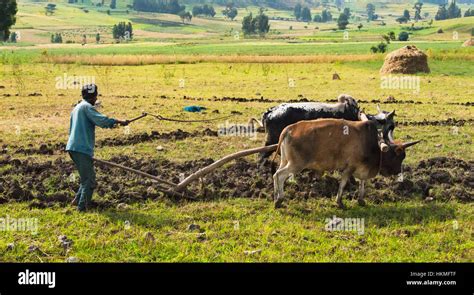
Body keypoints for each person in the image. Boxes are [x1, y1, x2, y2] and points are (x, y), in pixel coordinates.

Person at [66, 84, 129, 212]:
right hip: (81, 147)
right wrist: (118, 121)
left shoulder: (77, 107)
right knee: (89, 180)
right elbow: (102, 121)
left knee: (86, 178)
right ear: (94, 96)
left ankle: (77, 202)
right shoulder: (87, 107)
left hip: (73, 147)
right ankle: (82, 209)